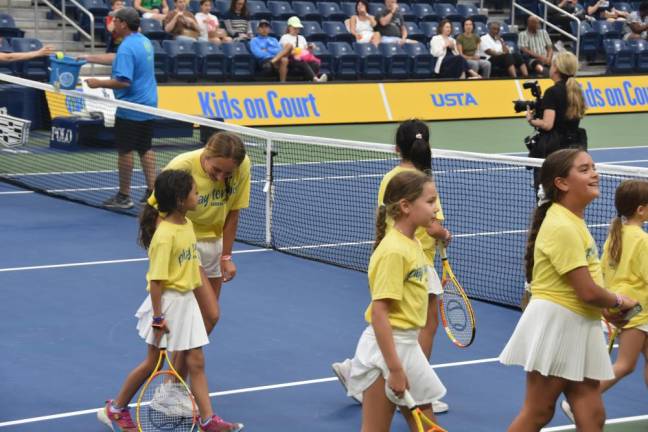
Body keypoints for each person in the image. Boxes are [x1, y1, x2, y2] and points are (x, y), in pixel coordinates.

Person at [499, 148, 639, 432]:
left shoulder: (572, 221)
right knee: (538, 412)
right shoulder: (562, 225)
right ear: (561, 183)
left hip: (578, 323)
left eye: (593, 167)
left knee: (592, 413)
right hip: (558, 325)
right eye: (584, 169)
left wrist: (605, 311)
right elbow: (587, 291)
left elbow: (581, 288)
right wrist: (618, 300)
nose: (595, 173)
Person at [96, 169, 244, 432]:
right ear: (179, 200)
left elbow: (189, 264)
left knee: (196, 361)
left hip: (186, 301)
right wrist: (157, 317)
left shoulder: (186, 225)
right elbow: (156, 281)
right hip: (167, 305)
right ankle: (116, 408)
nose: (199, 196)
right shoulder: (164, 237)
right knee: (152, 363)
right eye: (195, 193)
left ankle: (208, 420)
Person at [332, 120, 452, 415]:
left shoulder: (395, 180)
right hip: (414, 270)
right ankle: (368, 371)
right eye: (431, 202)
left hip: (416, 265)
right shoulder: (418, 186)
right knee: (423, 323)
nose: (434, 207)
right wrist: (444, 234)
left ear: (398, 148)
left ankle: (360, 369)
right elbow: (380, 316)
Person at [561, 179, 648, 422]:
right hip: (638, 310)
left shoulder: (615, 235)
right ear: (641, 210)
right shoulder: (642, 240)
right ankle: (575, 401)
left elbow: (602, 271)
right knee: (624, 365)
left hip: (625, 308)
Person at [81, 7, 158, 209]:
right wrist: (89, 58)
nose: (112, 24)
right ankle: (152, 192)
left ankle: (124, 196)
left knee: (125, 151)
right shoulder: (143, 41)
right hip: (149, 104)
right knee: (145, 147)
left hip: (130, 107)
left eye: (115, 20)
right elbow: (118, 58)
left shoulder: (126, 47)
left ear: (123, 23)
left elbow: (123, 81)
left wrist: (98, 83)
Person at [525, 51, 587, 189]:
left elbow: (547, 124)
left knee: (545, 194)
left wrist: (531, 120)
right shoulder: (576, 90)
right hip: (572, 148)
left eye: (552, 64)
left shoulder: (552, 92)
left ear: (556, 69)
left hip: (552, 152)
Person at [279, 16, 328, 83]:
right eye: (295, 28)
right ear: (289, 27)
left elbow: (306, 53)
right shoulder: (285, 37)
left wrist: (309, 49)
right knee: (302, 61)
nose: (297, 30)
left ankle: (308, 81)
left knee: (315, 64)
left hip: (301, 59)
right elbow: (286, 51)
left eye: (298, 28)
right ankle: (315, 79)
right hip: (290, 60)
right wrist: (298, 51)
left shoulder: (301, 38)